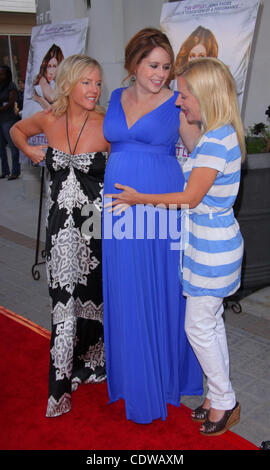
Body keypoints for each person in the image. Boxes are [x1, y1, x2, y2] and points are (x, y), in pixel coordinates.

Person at [105, 57, 244, 436]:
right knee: (209, 324)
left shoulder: (216, 140)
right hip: (208, 246)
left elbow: (191, 197)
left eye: (184, 95)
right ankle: (218, 396)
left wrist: (140, 199)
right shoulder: (219, 134)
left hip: (211, 249)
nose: (178, 102)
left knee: (198, 326)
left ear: (205, 95)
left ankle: (225, 400)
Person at [102, 27, 203, 425]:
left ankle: (164, 380)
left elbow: (200, 150)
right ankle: (132, 378)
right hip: (116, 208)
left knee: (159, 286)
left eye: (165, 66)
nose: (160, 74)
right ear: (134, 63)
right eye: (153, 66)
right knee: (127, 286)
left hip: (160, 204)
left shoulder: (177, 102)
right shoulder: (114, 98)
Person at [10, 54, 109, 417]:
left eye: (98, 83)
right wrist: (29, 150)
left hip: (94, 225)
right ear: (68, 83)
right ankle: (60, 384)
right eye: (87, 82)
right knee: (64, 299)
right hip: (58, 227)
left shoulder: (106, 124)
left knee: (94, 295)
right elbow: (15, 130)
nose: (94, 89)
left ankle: (92, 363)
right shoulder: (49, 119)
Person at [0, 65, 20, 180]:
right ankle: (4, 171)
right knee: (1, 147)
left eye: (2, 74)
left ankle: (15, 171)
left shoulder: (10, 86)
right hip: (0, 119)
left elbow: (11, 102)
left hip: (8, 119)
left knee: (12, 146)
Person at [33, 44, 64, 110]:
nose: (51, 72)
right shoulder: (42, 79)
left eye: (54, 66)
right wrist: (39, 99)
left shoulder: (55, 81)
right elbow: (51, 98)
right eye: (49, 66)